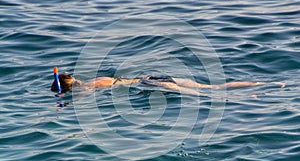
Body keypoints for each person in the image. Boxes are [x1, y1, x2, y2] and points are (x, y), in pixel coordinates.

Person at [51, 74, 285, 95]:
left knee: (213, 94)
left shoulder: (88, 88)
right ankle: (265, 83)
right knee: (212, 88)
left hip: (152, 86)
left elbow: (82, 100)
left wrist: (61, 100)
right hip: (153, 78)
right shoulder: (97, 78)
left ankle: (247, 96)